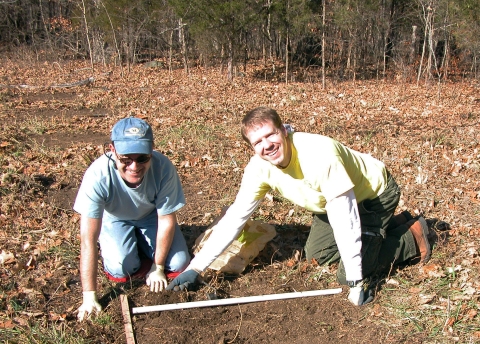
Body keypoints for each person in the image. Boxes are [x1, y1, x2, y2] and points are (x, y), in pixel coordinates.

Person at [167, 107, 431, 305]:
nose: (266, 145)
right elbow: (235, 217)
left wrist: (354, 280)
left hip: (372, 196)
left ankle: (413, 236)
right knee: (318, 254)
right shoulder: (259, 169)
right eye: (257, 142)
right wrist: (195, 267)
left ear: (284, 130)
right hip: (330, 204)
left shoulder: (318, 156)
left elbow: (346, 217)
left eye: (271, 134)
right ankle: (386, 230)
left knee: (347, 274)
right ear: (251, 147)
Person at [74, 117, 190, 320]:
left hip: (150, 216)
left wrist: (158, 267)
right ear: (112, 150)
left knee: (179, 262)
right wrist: (89, 297)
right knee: (121, 267)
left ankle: (147, 253)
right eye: (126, 159)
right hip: (115, 218)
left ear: (152, 150)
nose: (134, 166)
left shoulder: (163, 168)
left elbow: (166, 219)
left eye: (142, 158)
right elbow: (88, 240)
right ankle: (128, 247)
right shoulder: (97, 176)